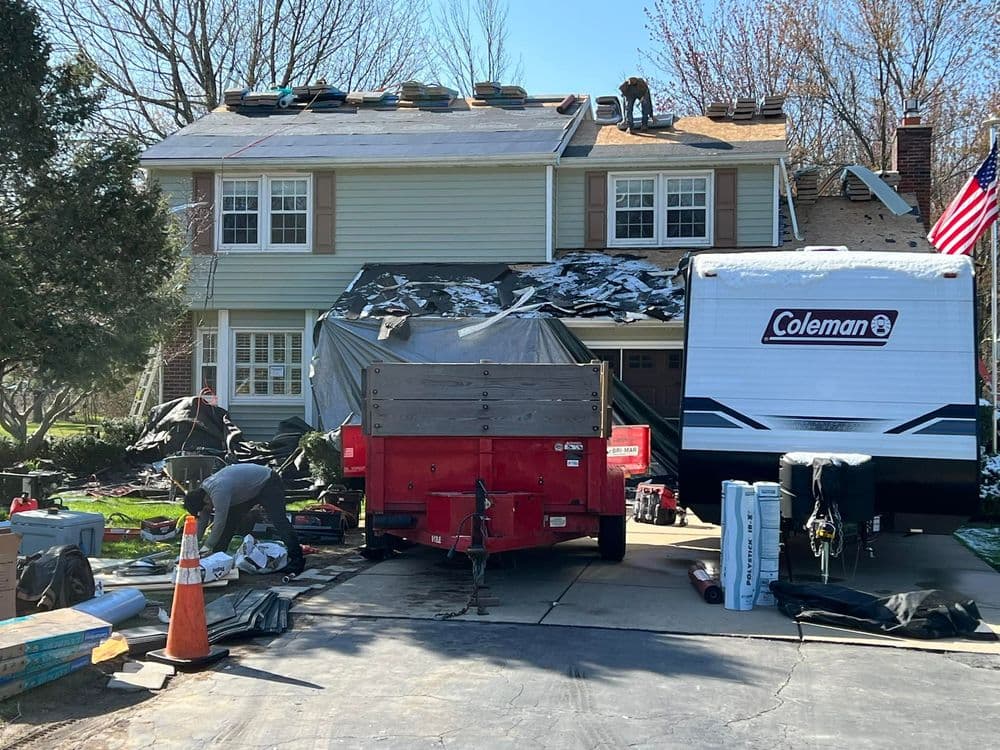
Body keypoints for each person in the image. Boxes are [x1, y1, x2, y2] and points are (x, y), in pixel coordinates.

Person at [183, 463, 305, 575]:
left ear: (205, 500)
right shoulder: (203, 494)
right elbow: (202, 520)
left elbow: (219, 523)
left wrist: (207, 546)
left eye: (206, 508)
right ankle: (217, 559)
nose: (209, 510)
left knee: (279, 521)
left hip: (268, 481)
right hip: (248, 489)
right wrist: (192, 547)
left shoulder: (219, 492)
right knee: (230, 523)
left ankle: (297, 559)